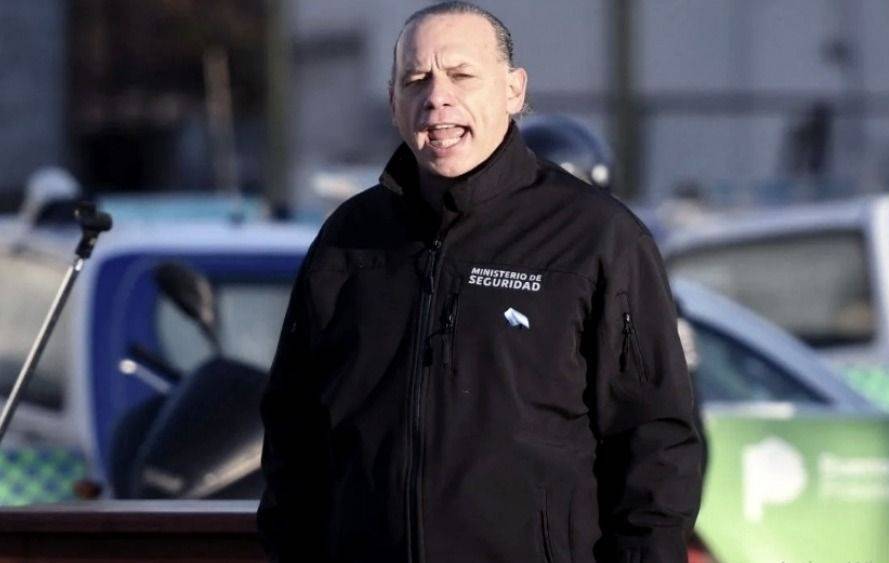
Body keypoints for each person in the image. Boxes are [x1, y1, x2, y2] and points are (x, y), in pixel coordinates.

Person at [258, 2, 702, 562]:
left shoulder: (597, 238)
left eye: (461, 75)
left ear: (514, 90)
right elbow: (294, 433)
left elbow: (656, 444)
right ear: (394, 102)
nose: (437, 97)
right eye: (416, 80)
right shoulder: (348, 241)